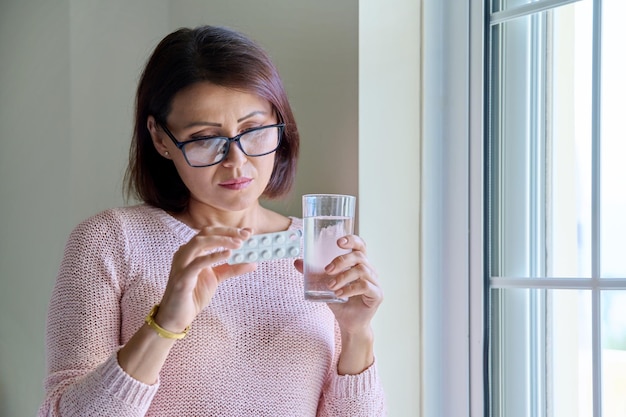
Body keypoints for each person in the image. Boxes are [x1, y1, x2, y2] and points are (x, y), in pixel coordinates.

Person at [38, 25, 385, 417]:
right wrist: (165, 323)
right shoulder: (110, 241)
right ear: (160, 139)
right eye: (205, 138)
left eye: (254, 131)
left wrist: (358, 334)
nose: (237, 161)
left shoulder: (319, 251)